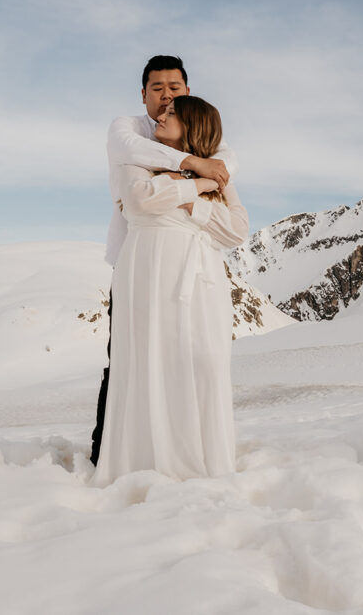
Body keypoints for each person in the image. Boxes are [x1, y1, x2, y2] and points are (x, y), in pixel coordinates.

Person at [91, 95, 248, 485]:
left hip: (200, 278)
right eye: (163, 107)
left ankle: (200, 455)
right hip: (146, 268)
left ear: (193, 126)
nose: (162, 114)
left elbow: (236, 230)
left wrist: (190, 197)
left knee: (203, 360)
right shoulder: (137, 158)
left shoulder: (217, 169)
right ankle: (147, 459)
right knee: (148, 357)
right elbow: (141, 201)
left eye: (173, 113)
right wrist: (200, 184)